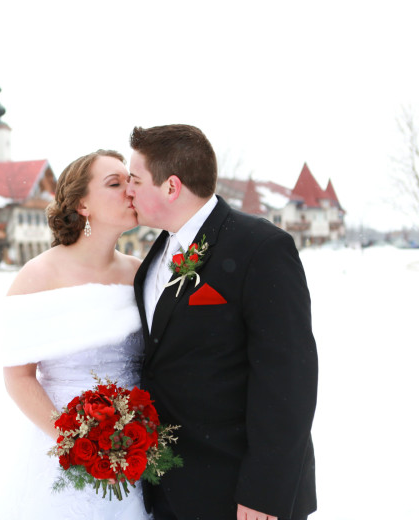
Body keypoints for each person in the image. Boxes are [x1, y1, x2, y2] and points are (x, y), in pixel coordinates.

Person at [126, 125, 318, 520]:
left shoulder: (261, 248)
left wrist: (265, 492)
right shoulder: (156, 254)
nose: (129, 189)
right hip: (170, 487)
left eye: (135, 179)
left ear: (171, 187)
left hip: (239, 493)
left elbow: (288, 381)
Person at [0, 149, 151, 519]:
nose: (129, 191)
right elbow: (18, 377)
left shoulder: (141, 273)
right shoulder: (37, 277)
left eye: (130, 181)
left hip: (138, 447)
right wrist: (73, 442)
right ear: (83, 204)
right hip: (67, 452)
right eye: (114, 184)